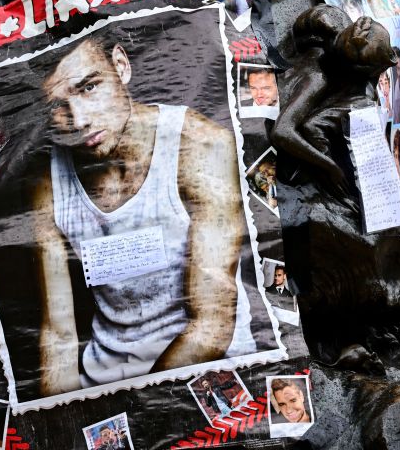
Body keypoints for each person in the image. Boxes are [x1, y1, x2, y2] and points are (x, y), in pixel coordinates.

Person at [31, 31, 255, 395]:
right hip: (103, 380)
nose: (80, 120)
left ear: (121, 66)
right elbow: (58, 335)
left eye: (88, 88)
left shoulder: (198, 147)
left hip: (205, 372)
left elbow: (211, 324)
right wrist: (63, 422)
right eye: (57, 105)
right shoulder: (49, 181)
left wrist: (138, 415)